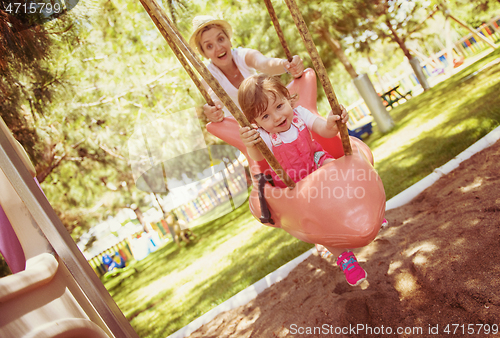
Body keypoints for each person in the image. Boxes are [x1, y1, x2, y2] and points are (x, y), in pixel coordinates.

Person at [238, 74, 367, 286]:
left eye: (279, 106)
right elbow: (257, 157)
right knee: (319, 223)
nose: (277, 117)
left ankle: (363, 212)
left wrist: (332, 121)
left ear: (287, 98)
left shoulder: (300, 114)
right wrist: (250, 143)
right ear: (256, 123)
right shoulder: (265, 137)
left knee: (338, 171)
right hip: (295, 184)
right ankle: (345, 258)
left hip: (315, 163)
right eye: (265, 117)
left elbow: (324, 129)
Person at [189, 15, 304, 123]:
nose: (218, 48)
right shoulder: (209, 77)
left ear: (229, 40)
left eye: (220, 39)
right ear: (204, 53)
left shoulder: (242, 55)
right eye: (209, 46)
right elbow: (215, 100)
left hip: (267, 119)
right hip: (244, 130)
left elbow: (264, 64)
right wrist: (213, 111)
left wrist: (286, 65)